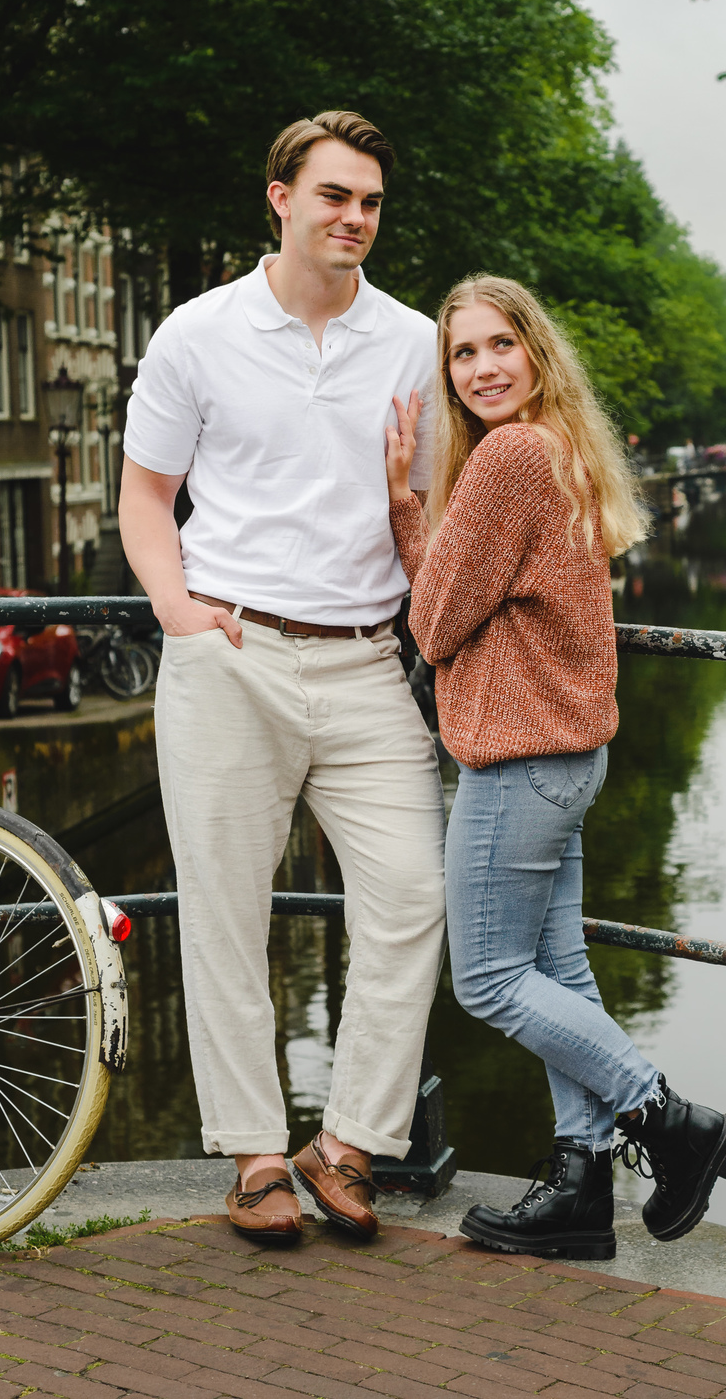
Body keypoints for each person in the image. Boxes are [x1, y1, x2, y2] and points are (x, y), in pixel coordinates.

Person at [118, 111, 446, 1248]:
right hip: (233, 655)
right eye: (334, 196)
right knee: (223, 912)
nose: (354, 219)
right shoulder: (198, 334)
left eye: (369, 203)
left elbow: (435, 507)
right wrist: (179, 614)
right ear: (280, 197)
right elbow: (145, 496)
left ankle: (348, 1139)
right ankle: (256, 1153)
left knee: (411, 893)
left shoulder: (412, 341)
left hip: (363, 657)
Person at [385, 275, 726, 1261]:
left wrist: (409, 517)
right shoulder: (562, 449)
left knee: (492, 979)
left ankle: (671, 1121)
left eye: (500, 344)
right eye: (463, 353)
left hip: (517, 763)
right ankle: (582, 1184)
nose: (482, 367)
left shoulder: (508, 456)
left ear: (535, 352)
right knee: (559, 968)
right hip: (567, 757)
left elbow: (432, 620)